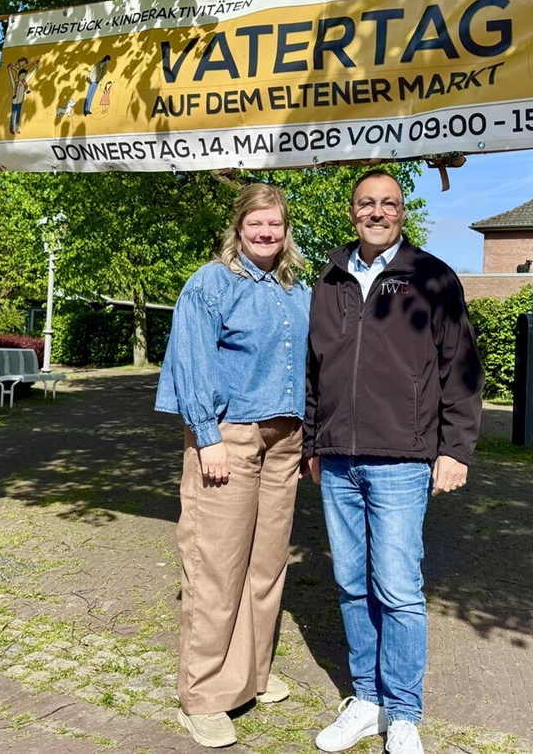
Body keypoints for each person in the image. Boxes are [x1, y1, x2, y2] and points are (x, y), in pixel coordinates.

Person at [304, 170, 484, 754]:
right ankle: (367, 700)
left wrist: (454, 449)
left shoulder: (432, 277)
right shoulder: (329, 278)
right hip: (337, 459)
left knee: (399, 588)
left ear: (402, 212)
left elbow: (461, 369)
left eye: (388, 203)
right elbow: (314, 369)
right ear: (352, 211)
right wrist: (312, 442)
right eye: (366, 203)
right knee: (351, 584)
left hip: (402, 459)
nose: (377, 212)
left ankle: (404, 712)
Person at [155, 183, 311, 748]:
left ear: (286, 230)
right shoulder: (211, 284)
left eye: (275, 224)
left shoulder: (297, 288)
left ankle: (251, 675)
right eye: (255, 224)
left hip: (285, 439)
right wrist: (207, 437)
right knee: (216, 565)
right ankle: (202, 696)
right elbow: (192, 360)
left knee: (266, 566)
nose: (266, 233)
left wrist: (308, 439)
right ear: (239, 228)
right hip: (229, 437)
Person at [7, 57, 40, 134]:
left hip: (20, 101)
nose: (22, 77)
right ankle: (11, 128)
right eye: (21, 75)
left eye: (24, 75)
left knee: (18, 114)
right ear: (19, 76)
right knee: (13, 114)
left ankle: (17, 128)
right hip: (14, 101)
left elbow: (30, 75)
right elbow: (11, 78)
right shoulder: (15, 84)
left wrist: (36, 67)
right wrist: (10, 70)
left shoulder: (24, 83)